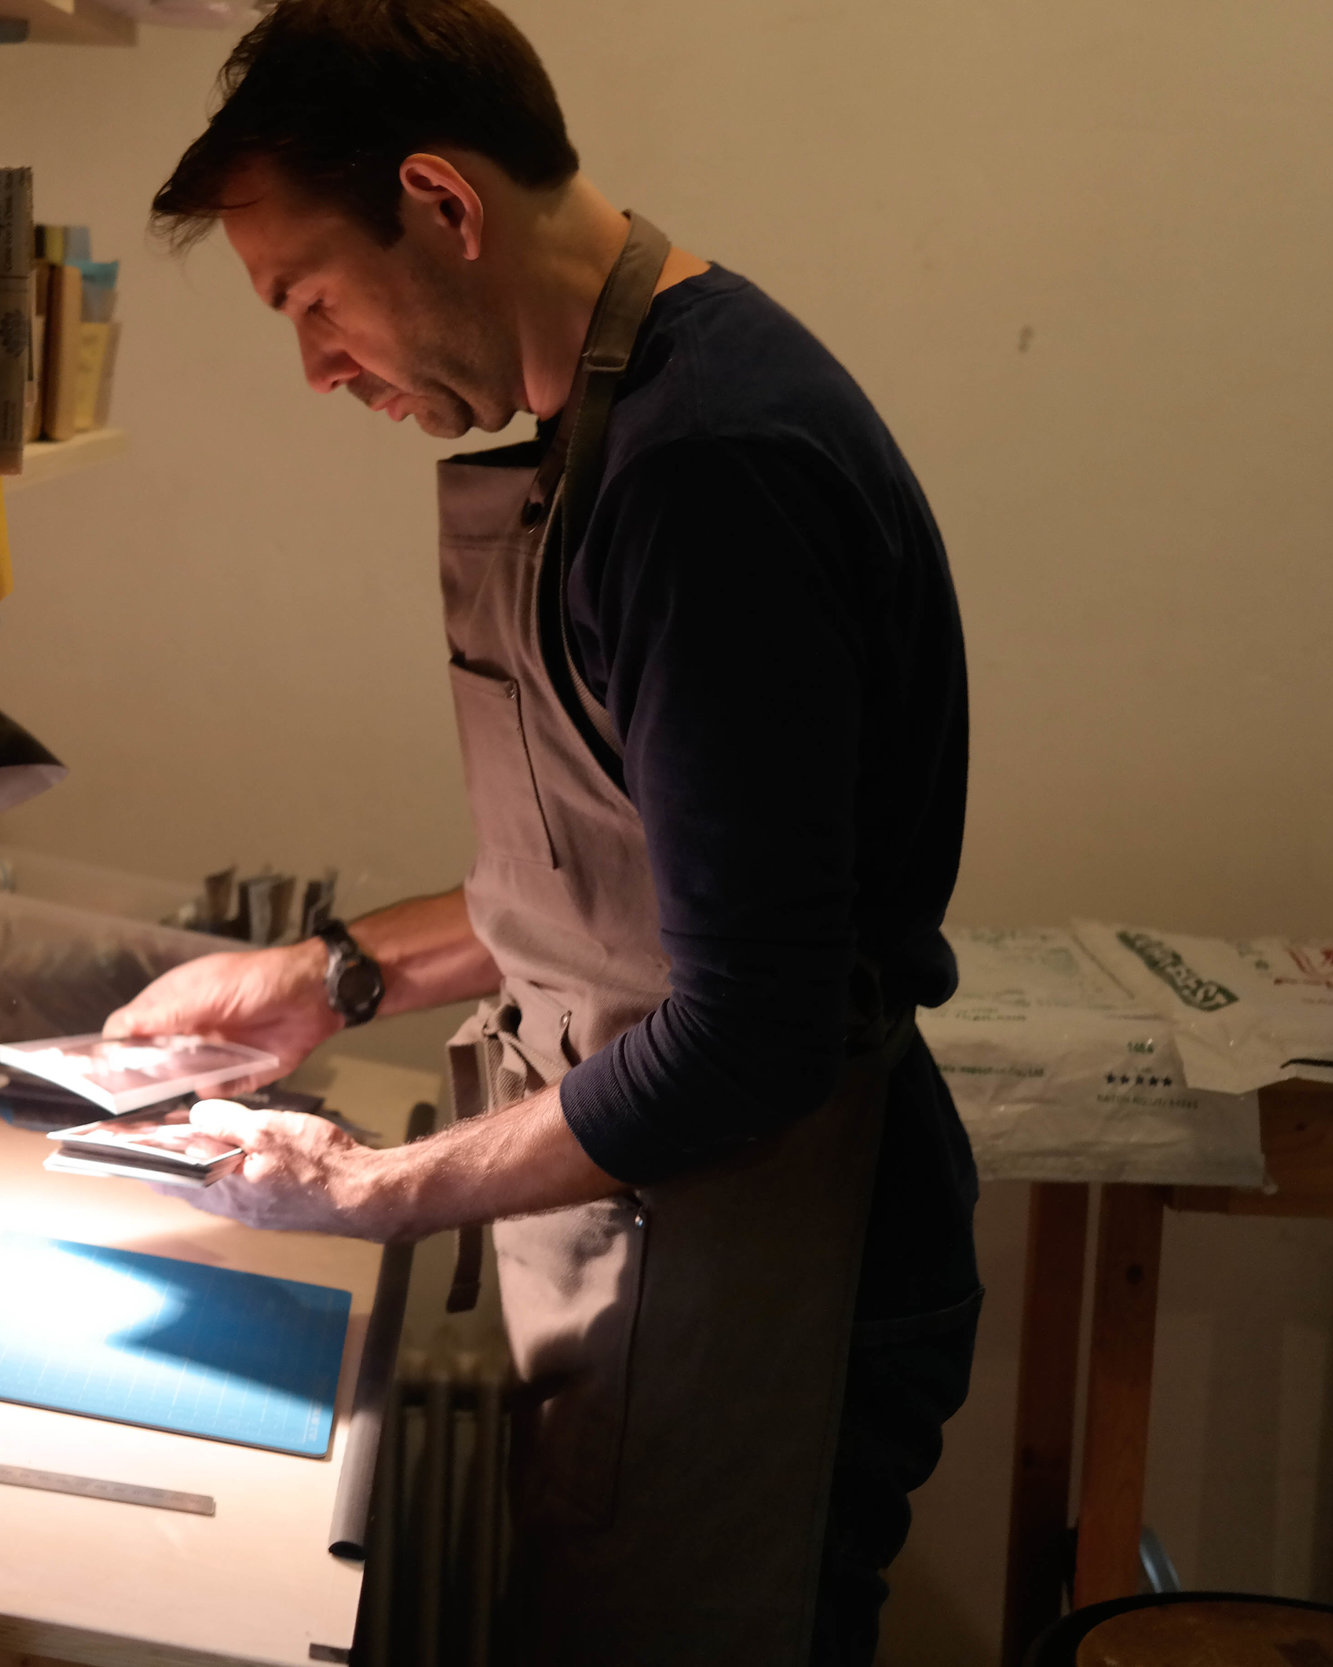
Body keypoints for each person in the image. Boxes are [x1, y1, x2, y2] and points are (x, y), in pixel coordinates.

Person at [105, 3, 981, 1661]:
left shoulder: (703, 473)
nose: (317, 364)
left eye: (309, 299)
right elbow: (620, 894)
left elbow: (747, 1033)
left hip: (772, 1274)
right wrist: (327, 976)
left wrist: (373, 1190)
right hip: (687, 1247)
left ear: (439, 205)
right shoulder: (625, 427)